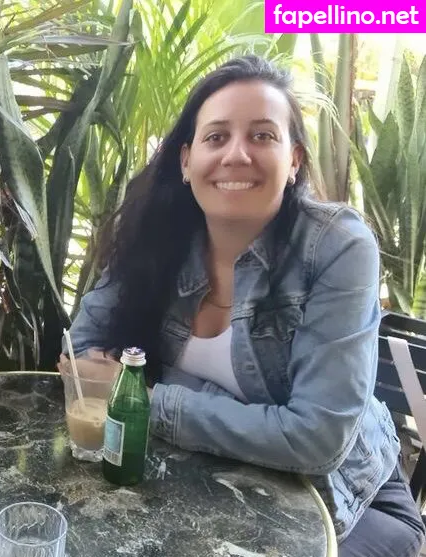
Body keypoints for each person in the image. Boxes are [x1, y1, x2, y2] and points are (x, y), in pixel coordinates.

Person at [66, 55, 425, 556]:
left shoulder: (337, 247)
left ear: (294, 161)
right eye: (216, 137)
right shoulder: (155, 234)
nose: (237, 154)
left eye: (262, 135)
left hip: (346, 503)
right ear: (186, 161)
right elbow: (81, 357)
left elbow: (317, 439)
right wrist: (258, 421)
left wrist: (146, 399)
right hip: (209, 483)